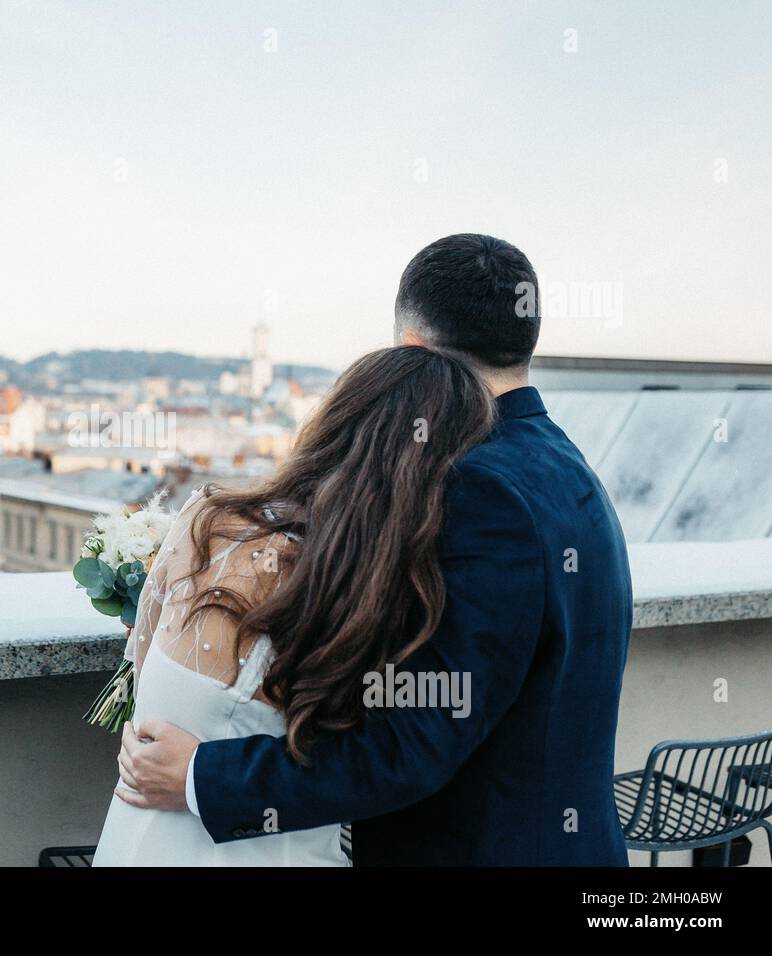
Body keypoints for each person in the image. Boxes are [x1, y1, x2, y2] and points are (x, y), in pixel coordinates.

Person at [110, 234, 634, 866]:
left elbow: (417, 740)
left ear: (411, 353)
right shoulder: (566, 465)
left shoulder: (475, 485)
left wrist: (200, 777)